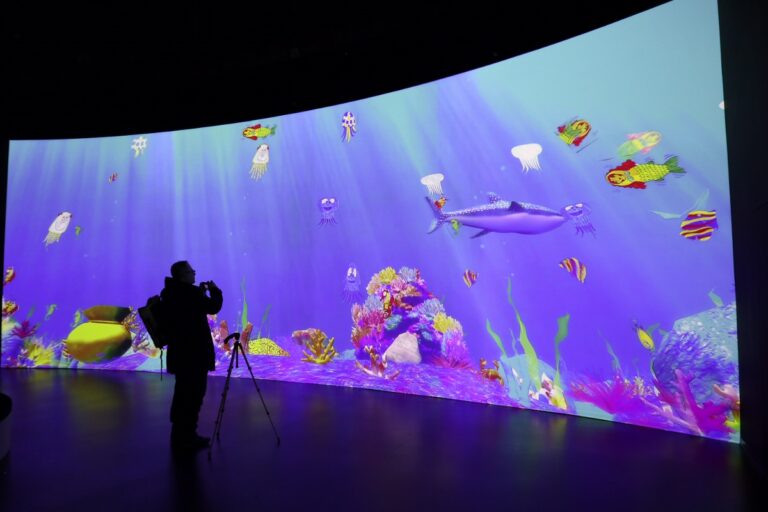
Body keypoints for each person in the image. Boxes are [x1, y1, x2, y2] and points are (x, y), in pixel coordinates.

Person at [161, 260, 223, 450]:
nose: (194, 273)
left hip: (180, 353)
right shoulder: (189, 293)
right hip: (194, 354)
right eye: (190, 271)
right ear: (183, 275)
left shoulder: (170, 293)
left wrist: (199, 293)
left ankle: (179, 435)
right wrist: (214, 290)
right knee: (194, 394)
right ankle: (188, 436)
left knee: (182, 393)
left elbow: (188, 314)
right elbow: (213, 307)